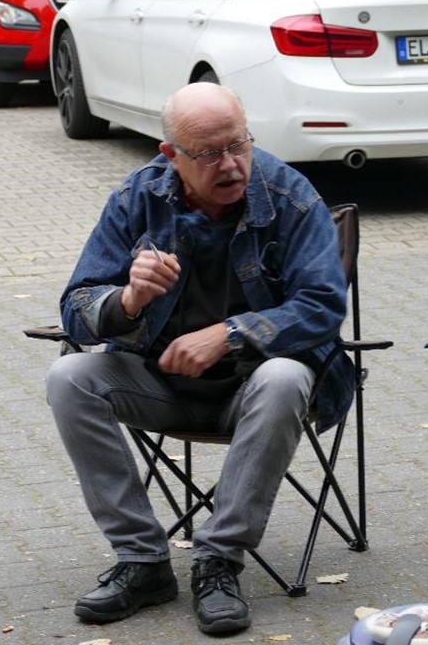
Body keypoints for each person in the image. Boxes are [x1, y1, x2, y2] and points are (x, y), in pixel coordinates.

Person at [44, 83, 353, 635]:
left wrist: (230, 334)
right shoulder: (136, 197)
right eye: (210, 154)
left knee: (284, 376)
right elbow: (76, 306)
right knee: (69, 376)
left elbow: (324, 305)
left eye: (238, 144)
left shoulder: (288, 196)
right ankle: (143, 562)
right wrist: (128, 300)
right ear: (172, 156)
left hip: (251, 393)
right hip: (159, 385)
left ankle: (219, 561)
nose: (231, 164)